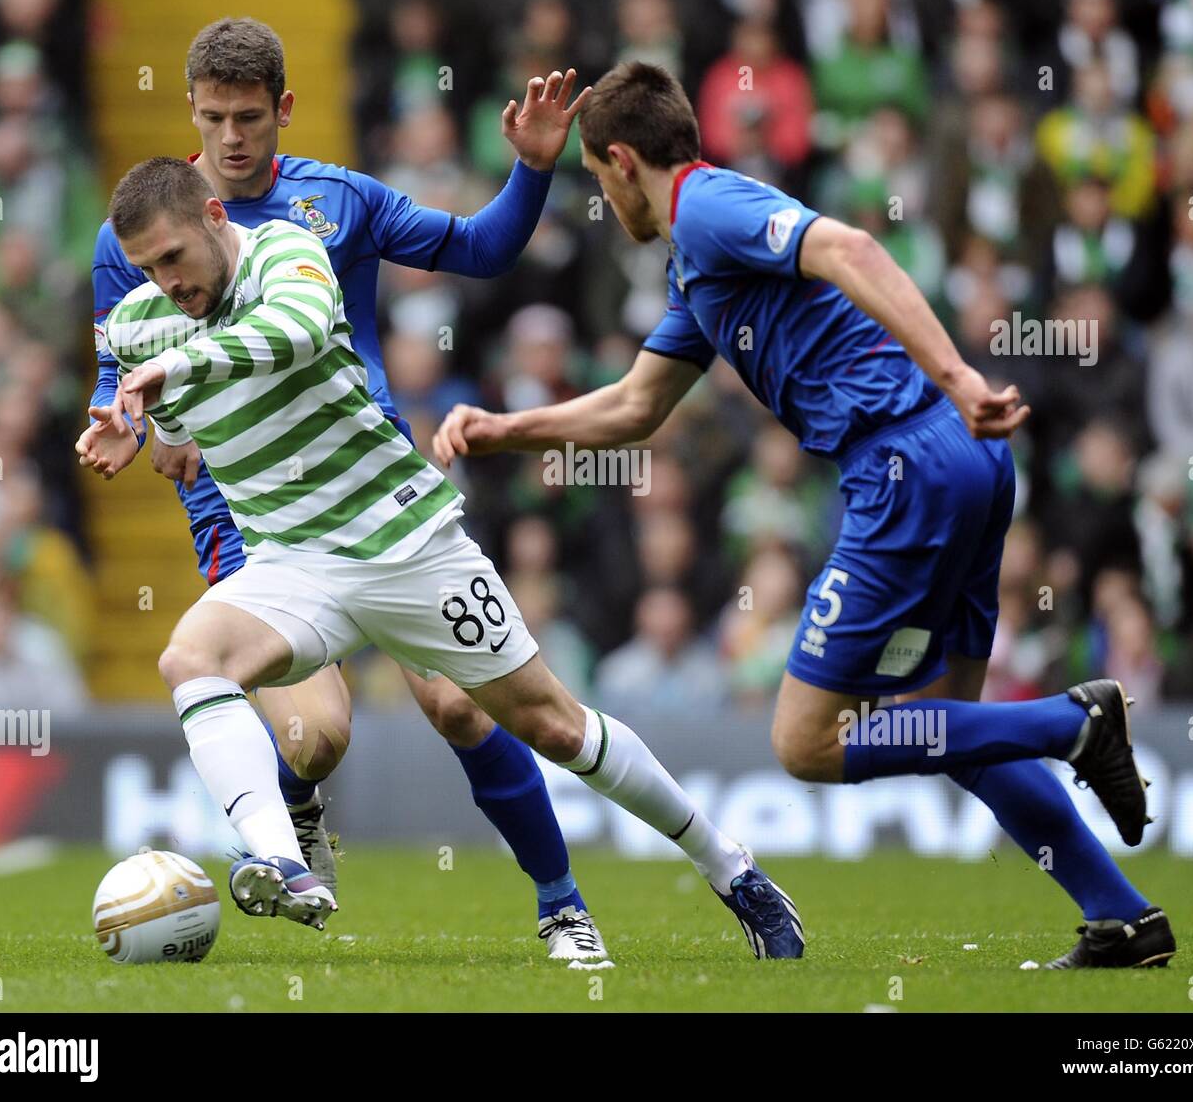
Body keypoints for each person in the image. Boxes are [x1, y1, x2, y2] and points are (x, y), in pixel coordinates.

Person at [434, 62, 1176, 970]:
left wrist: (959, 376)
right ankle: (1121, 918)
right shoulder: (698, 268)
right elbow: (634, 408)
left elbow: (853, 248)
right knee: (946, 723)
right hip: (963, 462)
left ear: (622, 161)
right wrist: (503, 429)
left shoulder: (709, 209)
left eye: (594, 175)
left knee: (808, 741)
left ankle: (1071, 724)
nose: (600, 193)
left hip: (905, 463)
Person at [76, 156, 806, 961]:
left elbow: (294, 333)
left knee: (556, 728)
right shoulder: (140, 323)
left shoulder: (286, 249)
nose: (165, 281)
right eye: (146, 267)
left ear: (216, 217)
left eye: (173, 257)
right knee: (191, 657)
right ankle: (281, 858)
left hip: (406, 545)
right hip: (293, 562)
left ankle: (731, 867)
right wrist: (140, 432)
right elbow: (172, 433)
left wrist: (175, 369)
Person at [81, 17, 605, 961]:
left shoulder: (339, 201)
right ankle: (298, 811)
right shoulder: (140, 231)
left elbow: (483, 250)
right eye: (212, 118)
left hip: (366, 488)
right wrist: (131, 424)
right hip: (247, 510)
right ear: (191, 116)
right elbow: (114, 368)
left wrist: (531, 170)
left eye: (248, 117)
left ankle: (562, 905)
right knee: (318, 737)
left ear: (281, 110)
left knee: (457, 706)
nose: (231, 138)